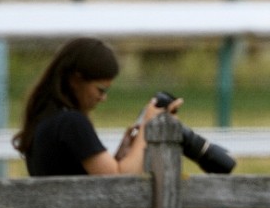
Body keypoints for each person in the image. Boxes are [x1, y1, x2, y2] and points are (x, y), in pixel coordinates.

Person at [12, 36, 180, 178]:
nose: (103, 98)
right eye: (100, 90)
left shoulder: (47, 119)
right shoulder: (71, 123)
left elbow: (96, 178)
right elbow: (118, 181)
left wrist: (122, 154)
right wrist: (148, 126)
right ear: (75, 80)